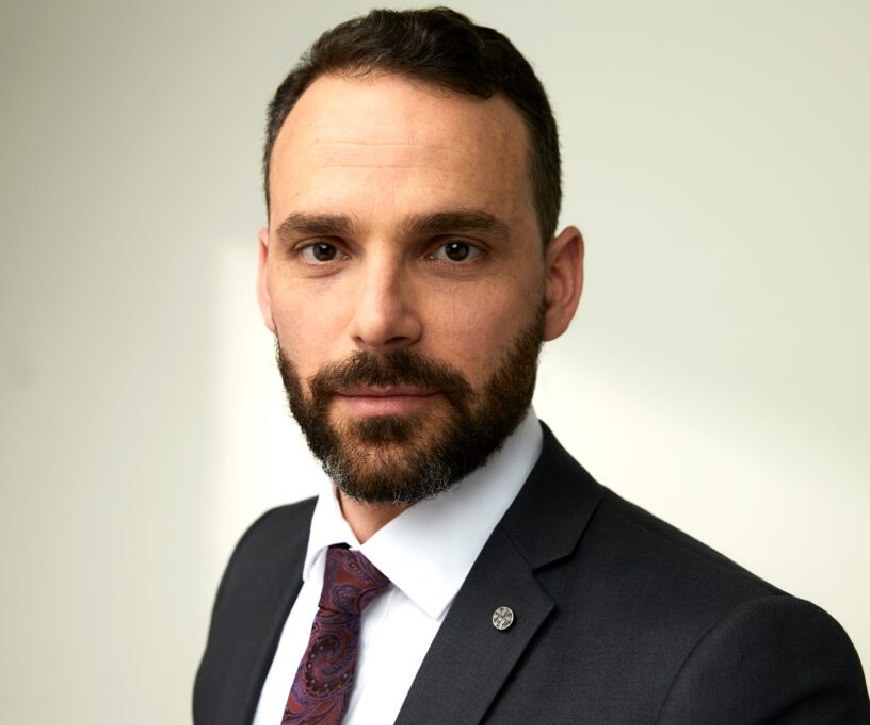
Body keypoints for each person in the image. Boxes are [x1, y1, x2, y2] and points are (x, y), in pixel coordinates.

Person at [194, 7, 869, 724]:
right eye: (324, 250)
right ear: (267, 279)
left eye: (454, 249)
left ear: (556, 285)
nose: (379, 319)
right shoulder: (262, 569)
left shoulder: (743, 674)